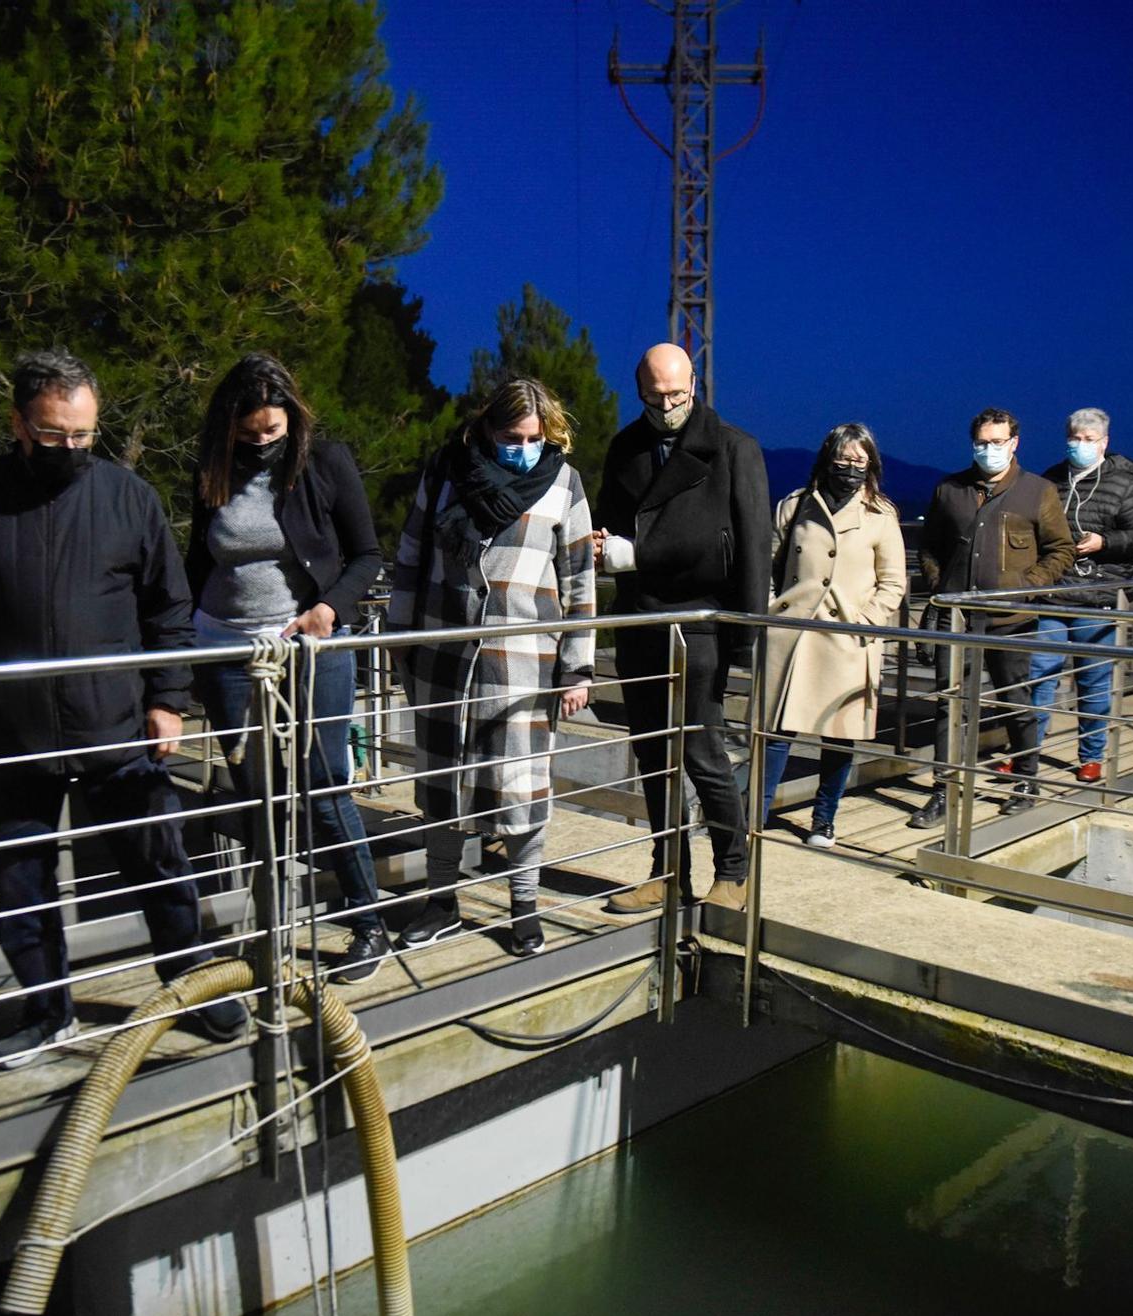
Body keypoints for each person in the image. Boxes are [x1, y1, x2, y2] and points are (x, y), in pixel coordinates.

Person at [0, 348, 245, 1068]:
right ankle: (46, 1009)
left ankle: (193, 988)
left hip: (116, 724)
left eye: (84, 435)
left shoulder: (128, 497)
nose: (71, 449)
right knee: (23, 881)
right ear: (19, 424)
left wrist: (168, 699)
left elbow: (169, 608)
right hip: (16, 729)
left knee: (161, 862)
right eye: (56, 435)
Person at [186, 354, 390, 983]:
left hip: (310, 645)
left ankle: (367, 921)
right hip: (226, 651)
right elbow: (199, 561)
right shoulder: (211, 468)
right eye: (250, 435)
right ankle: (272, 927)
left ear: (292, 419)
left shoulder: (326, 463)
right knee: (256, 793)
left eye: (272, 432)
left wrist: (329, 608)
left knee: (325, 784)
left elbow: (367, 555)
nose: (262, 443)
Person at [388, 378, 596, 956]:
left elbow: (579, 579)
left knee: (521, 789)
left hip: (524, 663)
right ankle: (441, 902)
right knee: (441, 784)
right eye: (511, 436)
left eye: (534, 437)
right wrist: (399, 635)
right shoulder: (446, 471)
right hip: (442, 655)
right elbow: (411, 554)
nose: (523, 447)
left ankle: (524, 905)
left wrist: (577, 666)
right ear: (487, 429)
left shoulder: (563, 483)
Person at [591, 344, 770, 914]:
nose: (667, 405)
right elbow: (610, 527)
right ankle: (667, 870)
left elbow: (747, 549)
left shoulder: (734, 448)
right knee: (651, 753)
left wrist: (745, 637)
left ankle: (734, 872)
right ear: (639, 389)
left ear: (695, 383)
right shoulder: (625, 447)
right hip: (638, 620)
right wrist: (603, 550)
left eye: (677, 394)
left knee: (701, 752)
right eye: (655, 395)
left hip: (698, 625)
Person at [910, 408, 1074, 828]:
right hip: (957, 619)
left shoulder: (1038, 491)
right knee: (949, 707)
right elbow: (929, 547)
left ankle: (1025, 781)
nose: (990, 450)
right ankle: (944, 791)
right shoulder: (950, 490)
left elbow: (1061, 549)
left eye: (998, 442)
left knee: (1015, 701)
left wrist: (1026, 585)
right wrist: (939, 585)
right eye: (982, 442)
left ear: (1014, 443)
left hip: (1012, 620)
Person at [756, 423, 907, 848]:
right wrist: (774, 612)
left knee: (839, 736)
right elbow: (768, 565)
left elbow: (894, 582)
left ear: (871, 465)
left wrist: (865, 621)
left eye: (860, 461)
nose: (850, 467)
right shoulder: (795, 506)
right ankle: (755, 814)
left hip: (847, 639)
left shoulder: (881, 514)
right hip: (792, 636)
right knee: (774, 734)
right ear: (827, 458)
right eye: (843, 459)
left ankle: (824, 820)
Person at [1027, 409, 1133, 783]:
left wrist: (1107, 542)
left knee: (1094, 681)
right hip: (1053, 593)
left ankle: (1091, 756)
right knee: (1039, 678)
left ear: (1103, 442)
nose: (1079, 445)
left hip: (1097, 595)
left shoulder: (1123, 482)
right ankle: (1026, 754)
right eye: (1074, 438)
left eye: (1088, 439)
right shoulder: (1051, 480)